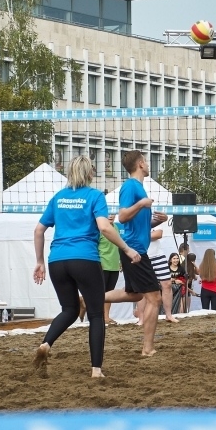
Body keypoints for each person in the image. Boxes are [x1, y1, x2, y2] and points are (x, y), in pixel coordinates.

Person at [32, 155, 140, 378]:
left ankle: (46, 344)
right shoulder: (94, 195)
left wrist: (40, 262)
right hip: (84, 258)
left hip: (57, 261)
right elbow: (105, 229)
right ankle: (96, 370)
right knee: (96, 315)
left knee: (69, 310)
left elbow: (38, 230)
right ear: (90, 173)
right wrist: (127, 249)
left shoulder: (58, 197)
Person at [104, 150, 163, 357]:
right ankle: (147, 348)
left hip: (136, 246)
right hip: (133, 250)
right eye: (146, 161)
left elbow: (137, 223)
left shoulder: (138, 188)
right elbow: (122, 216)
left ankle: (90, 299)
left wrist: (156, 221)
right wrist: (141, 204)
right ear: (140, 164)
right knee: (155, 298)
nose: (148, 164)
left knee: (135, 293)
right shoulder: (130, 186)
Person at [147, 224, 179, 323]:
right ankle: (142, 317)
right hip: (142, 254)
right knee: (143, 288)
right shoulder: (134, 215)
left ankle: (168, 315)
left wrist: (141, 235)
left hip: (158, 255)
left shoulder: (154, 214)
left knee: (167, 284)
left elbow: (158, 234)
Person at [98, 214, 123, 324]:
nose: (111, 216)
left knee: (110, 292)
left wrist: (120, 261)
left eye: (113, 213)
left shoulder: (116, 227)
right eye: (108, 213)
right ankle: (98, 317)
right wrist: (98, 261)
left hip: (114, 265)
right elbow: (94, 246)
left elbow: (118, 246)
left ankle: (106, 316)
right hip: (103, 263)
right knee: (100, 292)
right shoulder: (100, 228)